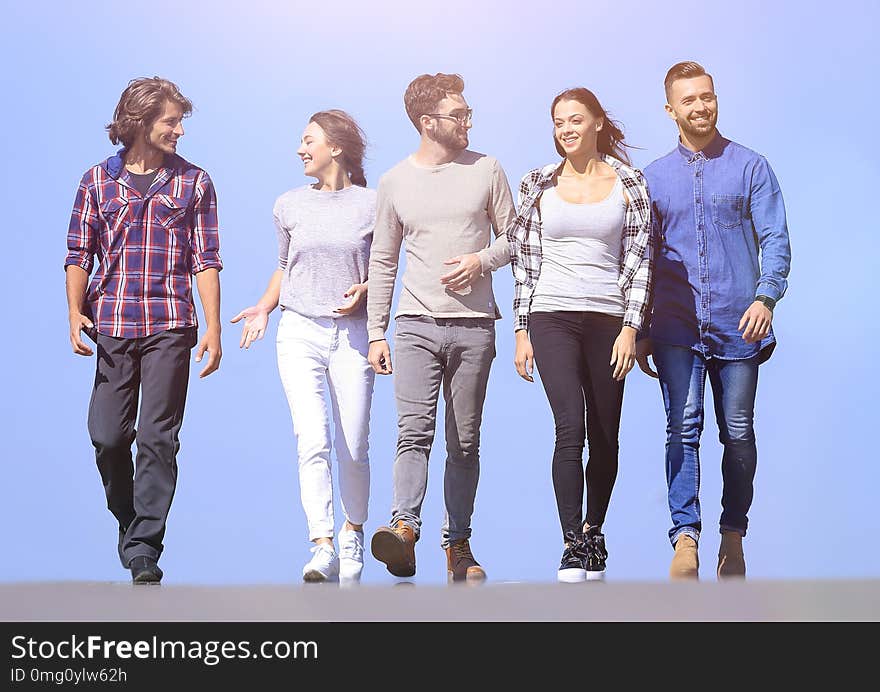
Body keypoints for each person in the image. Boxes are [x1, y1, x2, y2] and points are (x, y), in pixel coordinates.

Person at [636, 61, 792, 580]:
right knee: (681, 426)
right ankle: (685, 538)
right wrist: (637, 328)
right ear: (670, 110)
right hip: (675, 326)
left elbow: (775, 239)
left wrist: (765, 299)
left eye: (707, 96)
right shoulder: (652, 179)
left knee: (738, 431)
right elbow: (641, 258)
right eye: (689, 100)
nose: (701, 106)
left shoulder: (751, 167)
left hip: (738, 322)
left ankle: (732, 534)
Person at [64, 76, 223, 584]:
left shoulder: (195, 183)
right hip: (110, 321)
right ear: (140, 121)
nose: (179, 131)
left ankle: (144, 550)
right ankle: (131, 522)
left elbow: (206, 260)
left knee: (158, 438)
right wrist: (74, 312)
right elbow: (77, 254)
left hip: (171, 325)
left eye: (180, 122)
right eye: (171, 121)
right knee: (109, 436)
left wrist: (212, 329)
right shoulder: (95, 181)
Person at [366, 73, 516, 583]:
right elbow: (383, 261)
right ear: (428, 123)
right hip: (413, 326)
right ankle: (404, 529)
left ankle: (458, 547)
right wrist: (375, 332)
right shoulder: (393, 182)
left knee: (465, 441)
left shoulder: (487, 170)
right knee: (413, 433)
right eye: (459, 115)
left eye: (468, 113)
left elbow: (518, 241)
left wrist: (480, 260)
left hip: (475, 328)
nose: (468, 121)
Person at [508, 88, 653, 582]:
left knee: (605, 435)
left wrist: (631, 328)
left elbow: (640, 260)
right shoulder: (536, 182)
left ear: (596, 123)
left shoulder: (630, 181)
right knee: (569, 426)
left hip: (609, 319)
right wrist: (522, 328)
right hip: (551, 315)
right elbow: (525, 260)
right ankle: (571, 542)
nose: (565, 128)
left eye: (574, 119)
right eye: (557, 122)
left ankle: (594, 531)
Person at [232, 110, 376, 584]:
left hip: (351, 336)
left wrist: (369, 289)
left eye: (308, 140)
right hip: (298, 331)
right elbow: (283, 266)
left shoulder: (374, 204)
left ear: (335, 147)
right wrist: (262, 307)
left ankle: (353, 529)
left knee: (353, 444)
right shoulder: (288, 204)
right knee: (311, 439)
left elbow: (388, 267)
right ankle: (322, 544)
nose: (300, 149)